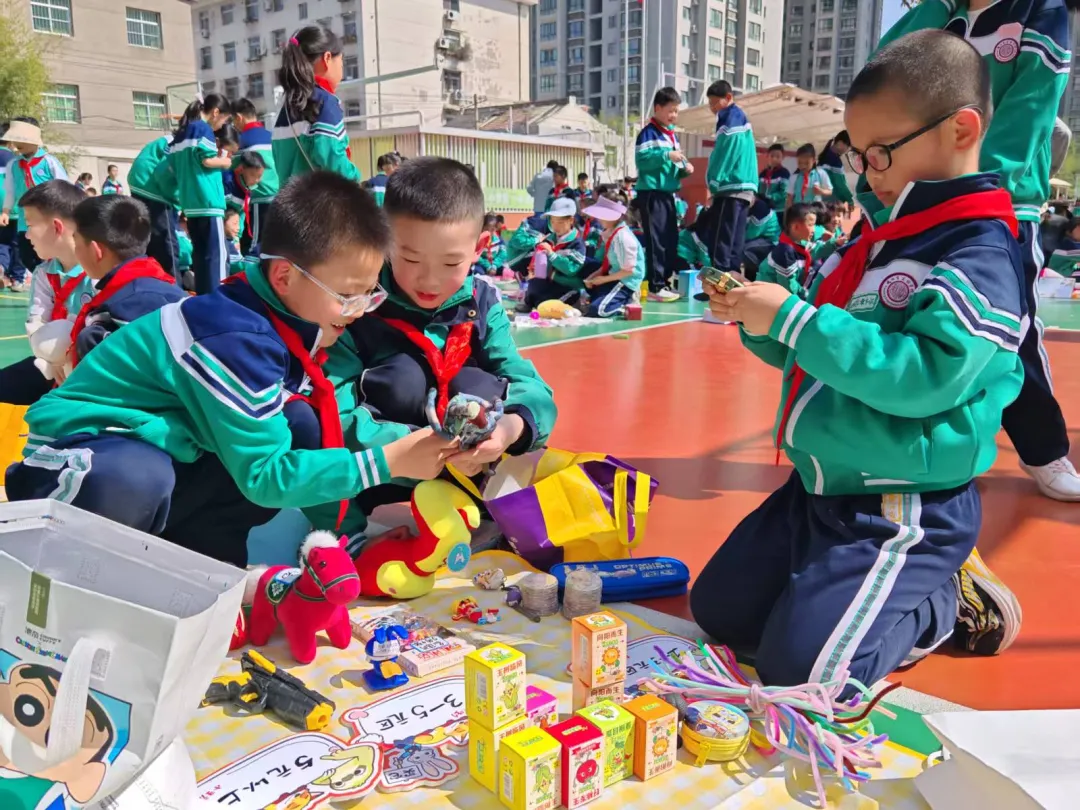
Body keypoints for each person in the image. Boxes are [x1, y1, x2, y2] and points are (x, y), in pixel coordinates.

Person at [692, 31, 1025, 692]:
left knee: (807, 674)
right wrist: (760, 320)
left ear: (961, 130)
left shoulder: (976, 251)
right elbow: (820, 344)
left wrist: (795, 319)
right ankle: (844, 593)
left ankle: (939, 600)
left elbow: (928, 376)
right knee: (719, 614)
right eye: (858, 152)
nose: (866, 169)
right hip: (819, 489)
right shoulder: (881, 237)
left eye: (880, 152)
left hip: (899, 503)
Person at [7, 172, 453, 566]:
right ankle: (71, 581)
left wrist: (419, 449)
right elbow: (265, 476)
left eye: (369, 296)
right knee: (139, 480)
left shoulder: (279, 317)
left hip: (161, 445)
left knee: (296, 421)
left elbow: (320, 429)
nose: (359, 311)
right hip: (73, 463)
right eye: (350, 295)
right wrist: (387, 461)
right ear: (284, 276)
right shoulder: (233, 336)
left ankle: (205, 568)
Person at [874, 0, 1080, 502]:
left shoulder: (1039, 14)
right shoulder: (937, 14)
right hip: (916, 198)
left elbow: (1029, 110)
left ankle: (1042, 448)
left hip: (1001, 203)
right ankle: (925, 448)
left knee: (1009, 328)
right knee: (910, 317)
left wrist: (977, 185)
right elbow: (884, 74)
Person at [306, 157, 556, 537]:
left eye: (451, 262)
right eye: (409, 257)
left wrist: (507, 429)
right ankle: (346, 535)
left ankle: (473, 502)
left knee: (477, 387)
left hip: (463, 463)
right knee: (397, 380)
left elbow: (529, 385)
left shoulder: (482, 303)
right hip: (383, 463)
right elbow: (330, 410)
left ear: (479, 248)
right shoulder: (357, 302)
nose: (429, 279)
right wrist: (407, 448)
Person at [0, 181, 92, 404]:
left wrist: (72, 360)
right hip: (52, 365)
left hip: (94, 369)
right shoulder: (44, 273)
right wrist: (54, 360)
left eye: (29, 225)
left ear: (57, 227)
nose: (27, 235)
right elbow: (37, 324)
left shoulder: (98, 273)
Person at [274, 24, 360, 187]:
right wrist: (356, 177)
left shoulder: (286, 107)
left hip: (287, 206)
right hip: (319, 208)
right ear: (327, 58)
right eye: (341, 62)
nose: (342, 70)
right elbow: (334, 163)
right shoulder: (325, 102)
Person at [166, 93, 233, 295]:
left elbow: (172, 165)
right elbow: (207, 160)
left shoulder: (182, 133)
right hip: (209, 201)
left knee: (201, 256)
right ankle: (220, 299)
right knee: (217, 257)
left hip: (190, 203)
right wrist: (225, 162)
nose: (221, 126)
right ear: (215, 112)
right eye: (223, 120)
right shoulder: (203, 129)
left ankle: (204, 296)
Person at [635, 87, 692, 303]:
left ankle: (664, 281)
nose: (674, 115)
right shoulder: (648, 133)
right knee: (656, 240)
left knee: (670, 239)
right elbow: (643, 160)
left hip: (668, 194)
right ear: (658, 108)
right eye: (671, 110)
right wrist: (667, 155)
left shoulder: (672, 136)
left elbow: (670, 166)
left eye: (677, 111)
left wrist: (683, 170)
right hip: (651, 193)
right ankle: (654, 285)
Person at [0, 120, 68, 288]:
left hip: (48, 219)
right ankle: (46, 284)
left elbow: (64, 186)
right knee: (26, 254)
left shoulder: (49, 162)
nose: (16, 144)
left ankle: (56, 286)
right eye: (14, 140)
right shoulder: (14, 165)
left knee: (50, 255)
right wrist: (6, 211)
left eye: (20, 139)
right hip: (25, 221)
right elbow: (11, 191)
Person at [701, 80, 758, 281]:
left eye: (716, 102)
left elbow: (726, 150)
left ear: (728, 98)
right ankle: (730, 285)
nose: (713, 108)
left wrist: (714, 181)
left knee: (720, 240)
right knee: (735, 241)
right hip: (744, 187)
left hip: (730, 187)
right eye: (711, 104)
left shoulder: (729, 117)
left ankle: (718, 286)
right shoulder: (741, 118)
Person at [582, 193, 646, 318]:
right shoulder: (610, 232)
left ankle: (627, 302)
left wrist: (603, 279)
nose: (599, 219)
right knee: (586, 269)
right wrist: (595, 275)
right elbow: (610, 262)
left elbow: (628, 271)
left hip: (625, 281)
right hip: (614, 274)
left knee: (598, 310)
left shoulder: (622, 238)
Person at [128, 134, 180, 281]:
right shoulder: (181, 143)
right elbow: (164, 173)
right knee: (166, 242)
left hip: (139, 183)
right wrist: (177, 198)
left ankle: (149, 280)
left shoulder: (168, 140)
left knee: (147, 240)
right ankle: (173, 286)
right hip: (154, 189)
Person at [231, 97, 279, 256]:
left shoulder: (242, 142)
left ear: (239, 117)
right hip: (280, 197)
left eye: (233, 121)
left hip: (260, 199)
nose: (234, 126)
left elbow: (234, 172)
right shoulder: (272, 136)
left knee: (256, 245)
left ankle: (249, 278)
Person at [522, 197, 586, 311]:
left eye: (560, 222)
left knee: (547, 304)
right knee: (534, 286)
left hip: (567, 285)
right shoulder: (550, 238)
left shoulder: (577, 243)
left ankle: (573, 303)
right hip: (549, 283)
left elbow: (571, 269)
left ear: (571, 220)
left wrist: (552, 254)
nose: (556, 226)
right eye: (552, 222)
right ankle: (532, 302)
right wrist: (533, 267)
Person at [755, 202, 818, 295]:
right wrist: (807, 295)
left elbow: (817, 250)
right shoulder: (784, 252)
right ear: (795, 227)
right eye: (810, 225)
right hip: (766, 296)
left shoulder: (800, 244)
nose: (814, 230)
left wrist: (835, 244)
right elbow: (788, 287)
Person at [223, 151, 267, 256]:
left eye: (259, 176)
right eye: (252, 175)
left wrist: (237, 237)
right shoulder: (228, 183)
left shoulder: (247, 188)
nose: (256, 180)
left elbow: (241, 213)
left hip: (232, 235)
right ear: (241, 169)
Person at [741, 194, 782, 280]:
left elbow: (752, 234)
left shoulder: (761, 209)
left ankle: (756, 274)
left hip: (770, 243)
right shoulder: (751, 206)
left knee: (742, 250)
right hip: (759, 241)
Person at [0, 129, 21, 290]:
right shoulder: (16, 160)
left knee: (2, 243)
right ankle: (17, 279)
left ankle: (1, 268)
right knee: (17, 244)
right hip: (13, 208)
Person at [817, 132, 854, 209]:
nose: (846, 150)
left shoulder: (823, 157)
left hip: (819, 201)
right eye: (847, 147)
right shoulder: (836, 162)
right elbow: (841, 185)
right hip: (831, 203)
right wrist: (850, 200)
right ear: (840, 143)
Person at [759, 143, 791, 214]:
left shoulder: (784, 173)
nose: (774, 158)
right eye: (772, 156)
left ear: (783, 158)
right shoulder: (763, 173)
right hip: (763, 208)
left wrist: (769, 197)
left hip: (778, 210)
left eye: (778, 156)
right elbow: (759, 190)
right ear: (767, 156)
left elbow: (783, 193)